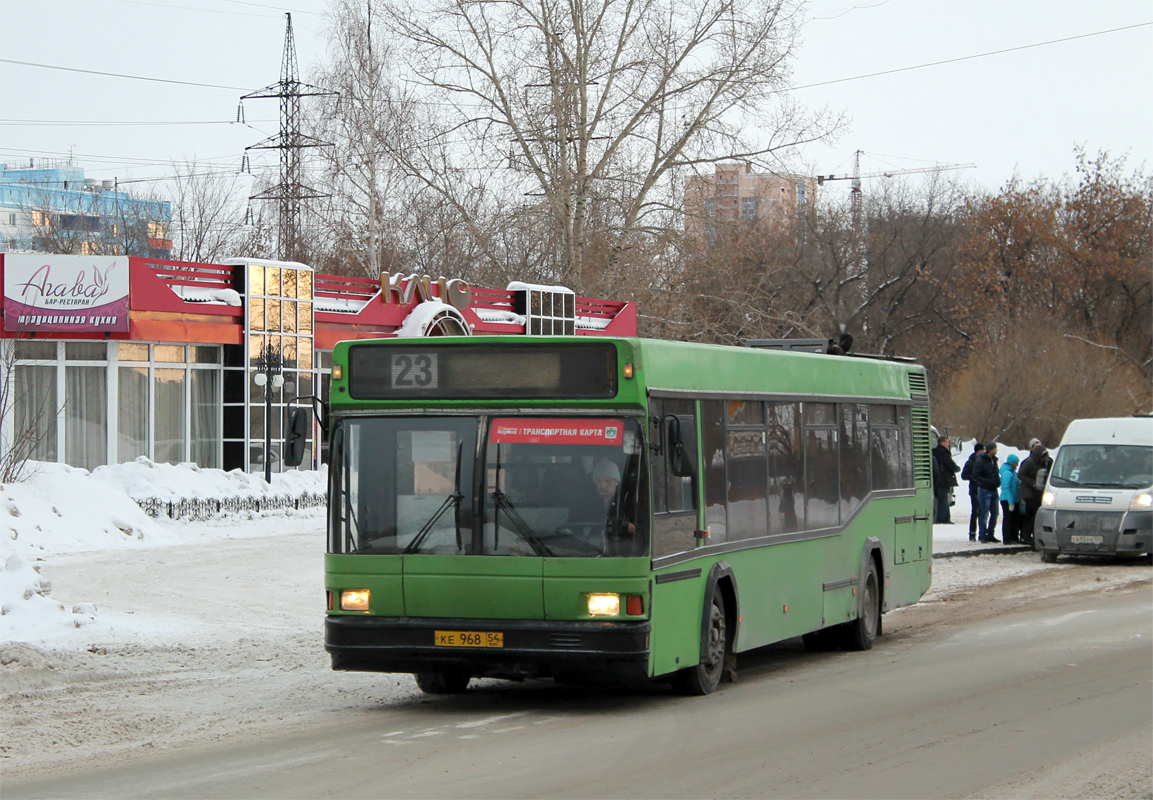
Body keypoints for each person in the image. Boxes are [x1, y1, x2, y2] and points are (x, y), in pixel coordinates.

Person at [1018, 441, 1052, 547]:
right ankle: (1026, 534)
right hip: (1028, 493)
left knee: (1031, 514)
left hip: (1034, 492)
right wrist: (1033, 483)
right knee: (1034, 514)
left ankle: (1027, 534)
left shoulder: (1038, 462)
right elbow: (1020, 475)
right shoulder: (1029, 462)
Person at [973, 441, 1001, 543]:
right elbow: (975, 476)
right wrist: (987, 482)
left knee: (995, 513)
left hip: (994, 489)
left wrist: (997, 481)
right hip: (984, 490)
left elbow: (995, 473)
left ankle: (990, 534)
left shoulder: (994, 460)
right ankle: (983, 535)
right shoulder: (980, 461)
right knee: (984, 514)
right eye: (995, 448)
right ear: (991, 449)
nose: (996, 450)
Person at [932, 436, 960, 524]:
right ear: (942, 443)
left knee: (939, 500)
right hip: (943, 480)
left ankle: (942, 517)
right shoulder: (944, 454)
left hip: (934, 480)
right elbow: (952, 466)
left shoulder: (933, 452)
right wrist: (957, 468)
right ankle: (943, 519)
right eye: (947, 442)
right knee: (944, 501)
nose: (948, 444)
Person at [960, 442, 985, 541]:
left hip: (983, 489)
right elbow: (964, 475)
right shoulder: (971, 462)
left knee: (983, 512)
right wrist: (975, 477)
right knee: (975, 511)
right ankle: (972, 533)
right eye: (981, 451)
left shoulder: (985, 461)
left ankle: (982, 533)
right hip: (974, 489)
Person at [999, 453, 1022, 544]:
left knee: (1015, 519)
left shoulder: (1013, 473)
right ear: (1012, 463)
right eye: (1016, 463)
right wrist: (1011, 502)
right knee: (1008, 519)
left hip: (1014, 499)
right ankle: (1007, 538)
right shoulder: (1007, 474)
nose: (1017, 465)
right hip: (1007, 500)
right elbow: (1006, 488)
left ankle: (1014, 537)